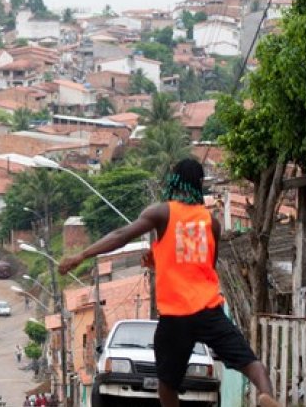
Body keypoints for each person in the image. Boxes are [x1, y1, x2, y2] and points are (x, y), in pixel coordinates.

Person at [58, 158, 280, 407]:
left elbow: (121, 236)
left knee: (167, 384)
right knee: (252, 364)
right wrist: (159, 263)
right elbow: (204, 265)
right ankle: (267, 396)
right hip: (209, 310)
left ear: (174, 181)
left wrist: (82, 255)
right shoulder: (212, 224)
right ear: (200, 184)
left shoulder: (161, 212)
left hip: (176, 315)